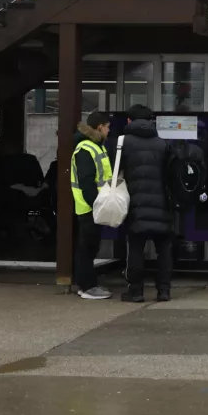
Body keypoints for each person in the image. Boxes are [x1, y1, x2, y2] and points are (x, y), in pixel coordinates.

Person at [119, 104, 174, 303]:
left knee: (135, 249)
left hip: (135, 205)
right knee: (164, 251)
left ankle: (136, 291)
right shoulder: (162, 143)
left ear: (129, 121)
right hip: (162, 205)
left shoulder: (123, 143)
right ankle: (164, 291)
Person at [71, 112, 113, 300]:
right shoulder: (86, 149)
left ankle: (87, 284)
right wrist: (98, 204)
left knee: (90, 246)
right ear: (99, 127)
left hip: (94, 205)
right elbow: (87, 181)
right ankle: (87, 286)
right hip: (90, 206)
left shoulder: (95, 147)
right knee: (87, 247)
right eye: (107, 126)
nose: (109, 130)